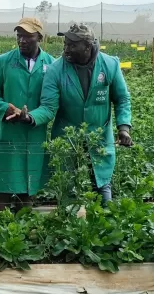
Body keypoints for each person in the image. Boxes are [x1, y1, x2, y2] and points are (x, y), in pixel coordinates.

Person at [27, 23, 132, 204]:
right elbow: (48, 107)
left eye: (73, 45)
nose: (66, 49)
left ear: (88, 47)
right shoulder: (56, 70)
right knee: (67, 185)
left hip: (99, 135)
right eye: (65, 43)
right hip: (67, 136)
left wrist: (123, 128)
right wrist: (30, 117)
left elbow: (122, 98)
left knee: (101, 183)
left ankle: (106, 221)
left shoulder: (109, 65)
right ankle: (68, 223)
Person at [0, 17, 55, 211]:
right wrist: (5, 108)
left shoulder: (51, 64)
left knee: (28, 190)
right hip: (9, 133)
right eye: (19, 36)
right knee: (3, 192)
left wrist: (31, 117)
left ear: (39, 37)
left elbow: (50, 104)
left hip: (34, 134)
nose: (22, 41)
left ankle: (23, 234)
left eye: (28, 36)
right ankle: (0, 234)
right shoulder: (4, 61)